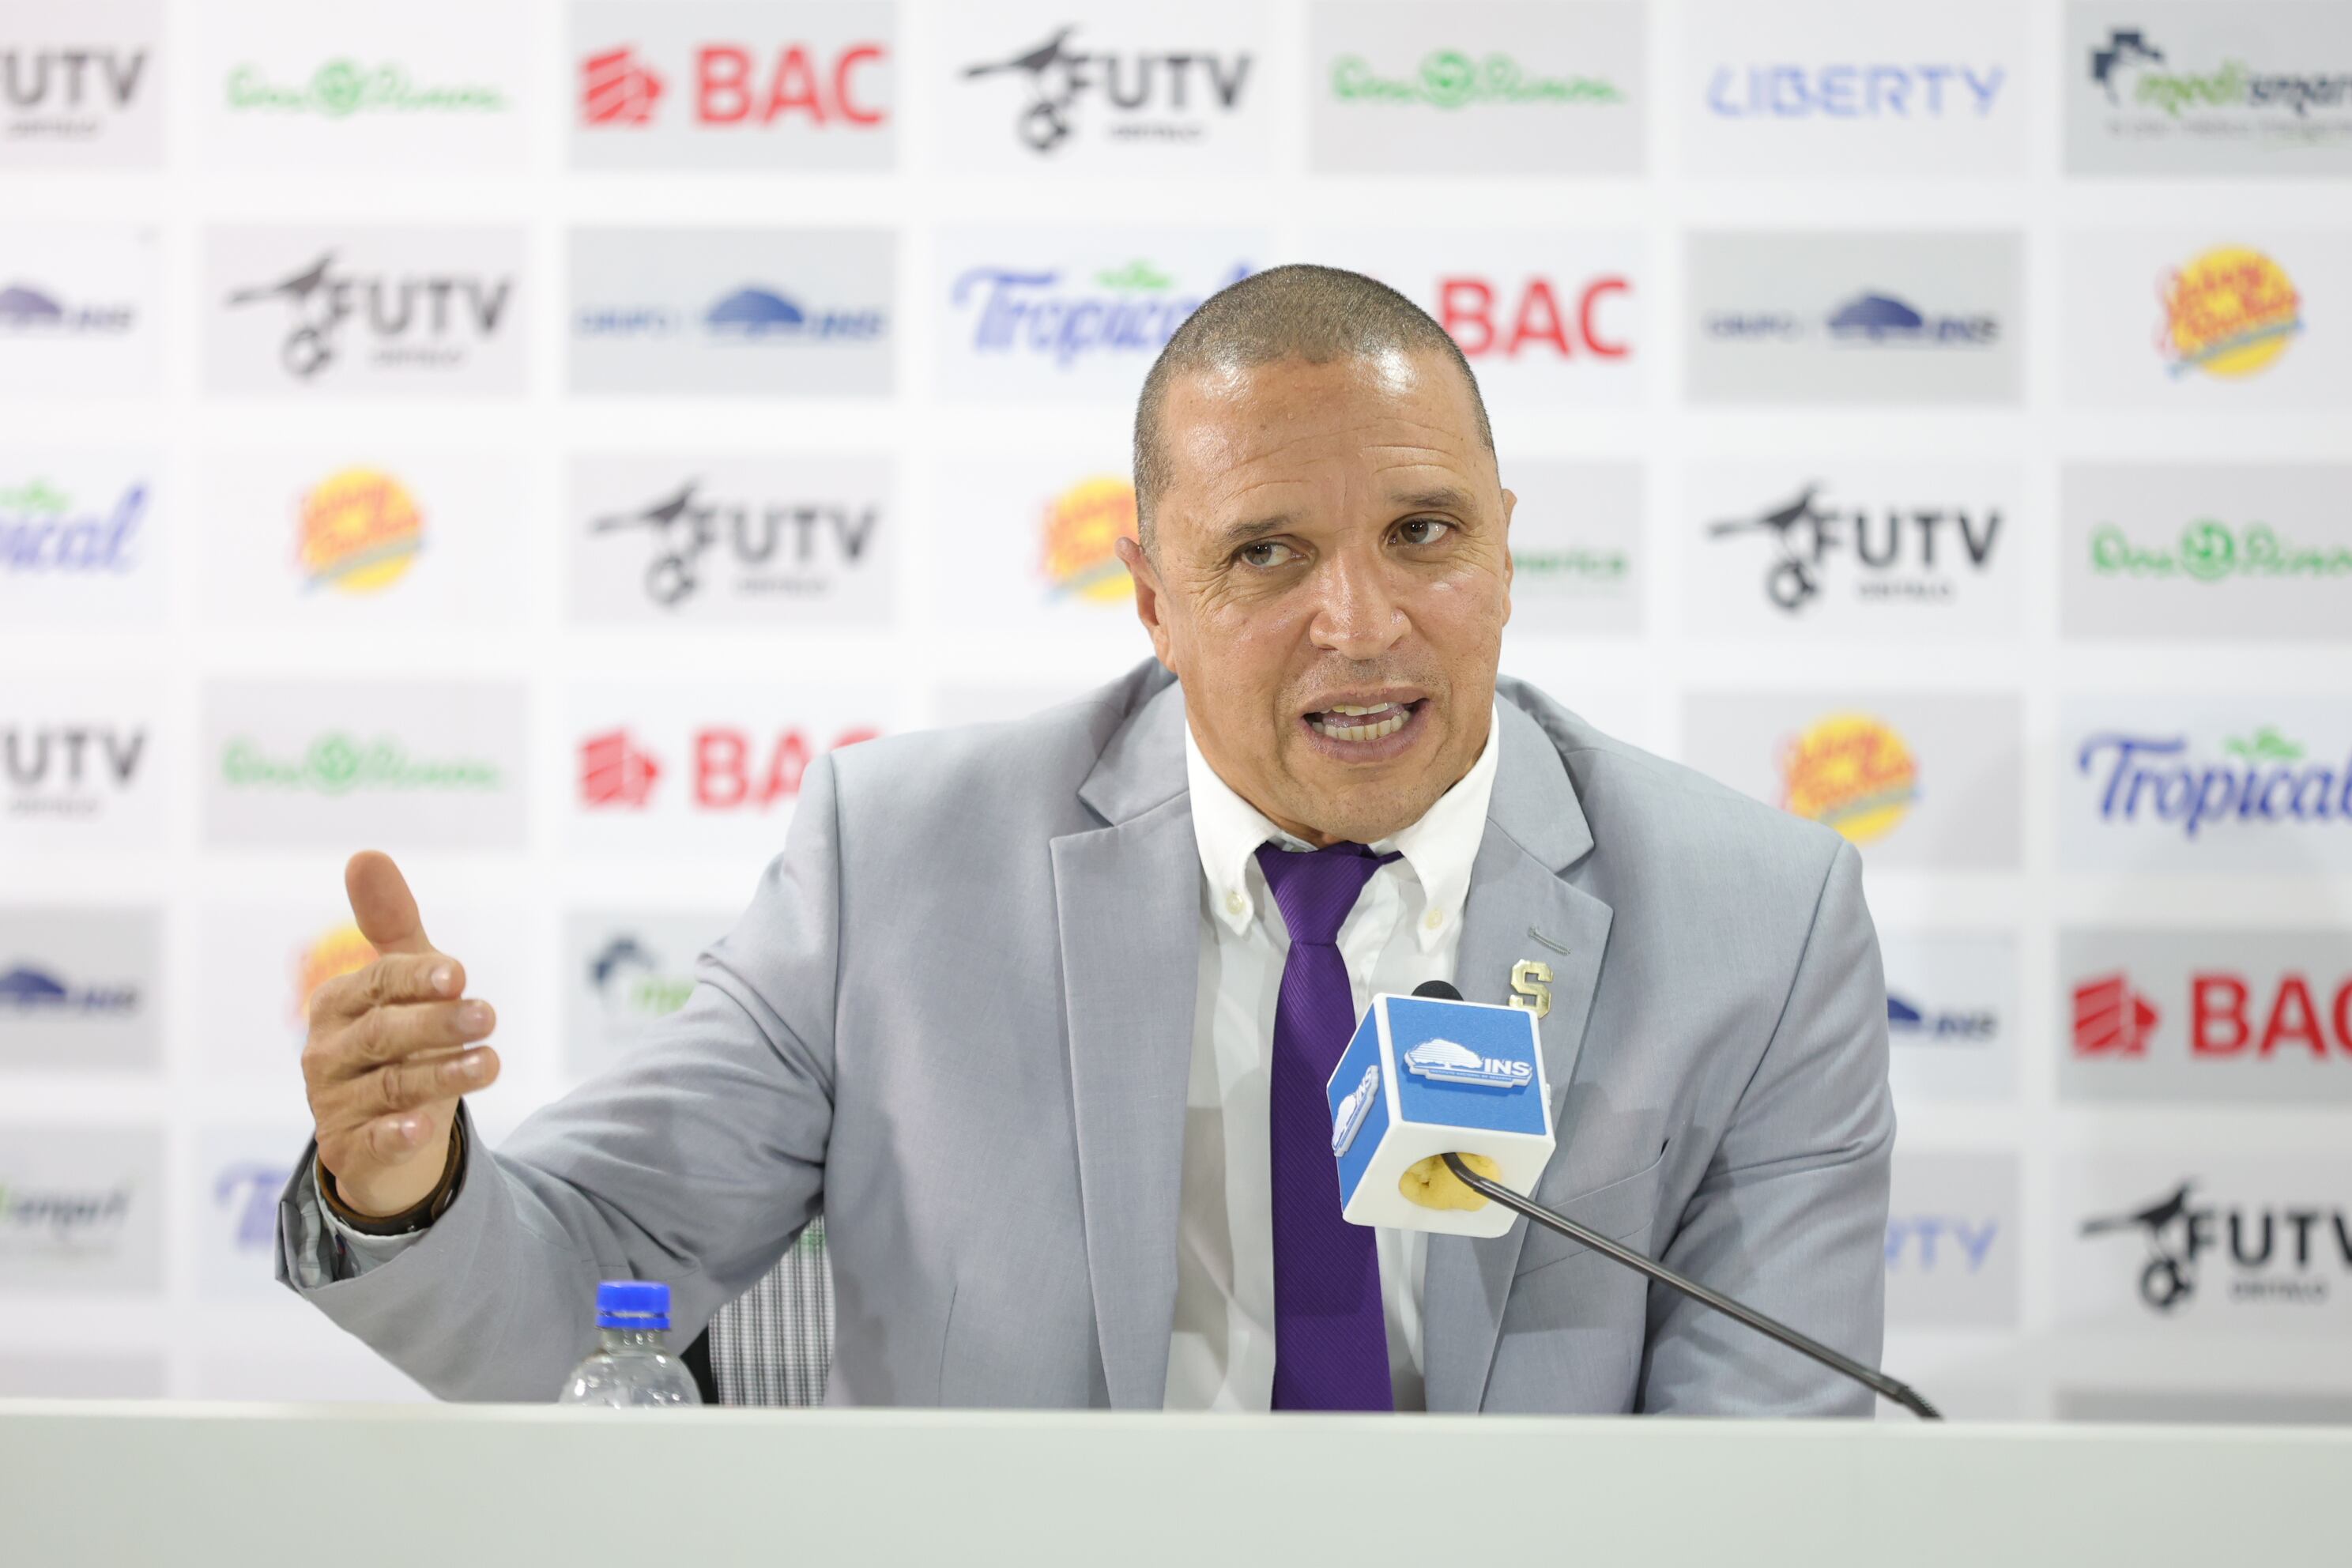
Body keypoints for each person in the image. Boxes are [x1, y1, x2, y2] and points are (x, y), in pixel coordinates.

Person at [277, 264, 1893, 1413]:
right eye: (1267, 551)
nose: (1364, 619)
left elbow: (1760, 1474)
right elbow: (578, 1292)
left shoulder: (1757, 919)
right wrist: (405, 1183)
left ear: (1507, 547)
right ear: (1154, 601)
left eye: (1424, 532)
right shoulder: (896, 865)